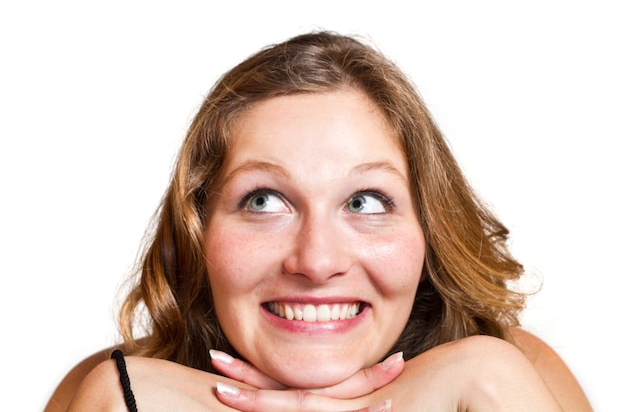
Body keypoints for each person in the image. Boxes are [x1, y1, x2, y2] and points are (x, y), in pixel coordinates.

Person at [46, 31, 592, 412]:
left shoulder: (518, 375)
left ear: (430, 230)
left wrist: (493, 386)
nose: (316, 261)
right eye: (263, 201)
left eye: (366, 202)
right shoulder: (114, 390)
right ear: (198, 229)